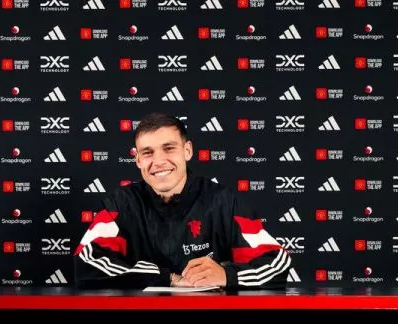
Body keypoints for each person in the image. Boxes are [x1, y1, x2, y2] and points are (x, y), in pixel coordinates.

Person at [73, 112, 292, 290]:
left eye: (169, 148)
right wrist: (168, 277)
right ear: (138, 160)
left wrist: (226, 275)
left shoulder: (223, 202)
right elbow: (86, 261)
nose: (158, 161)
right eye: (148, 153)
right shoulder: (120, 204)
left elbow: (277, 262)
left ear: (187, 151)